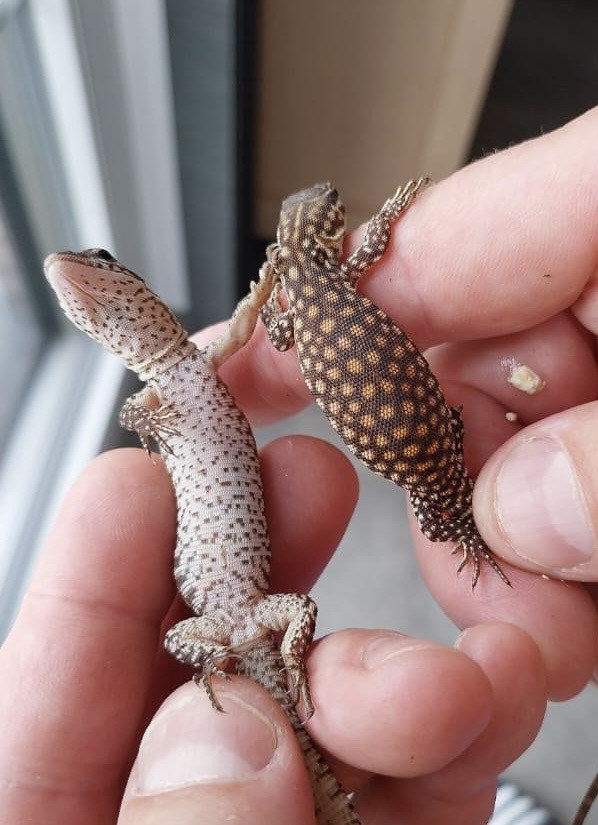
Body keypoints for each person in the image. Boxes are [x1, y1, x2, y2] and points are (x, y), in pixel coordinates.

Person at [1, 108, 597, 825]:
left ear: (142, 294)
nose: (87, 273)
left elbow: (260, 328)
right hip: (243, 615)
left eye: (100, 261)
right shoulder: (159, 388)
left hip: (240, 599)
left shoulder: (193, 362)